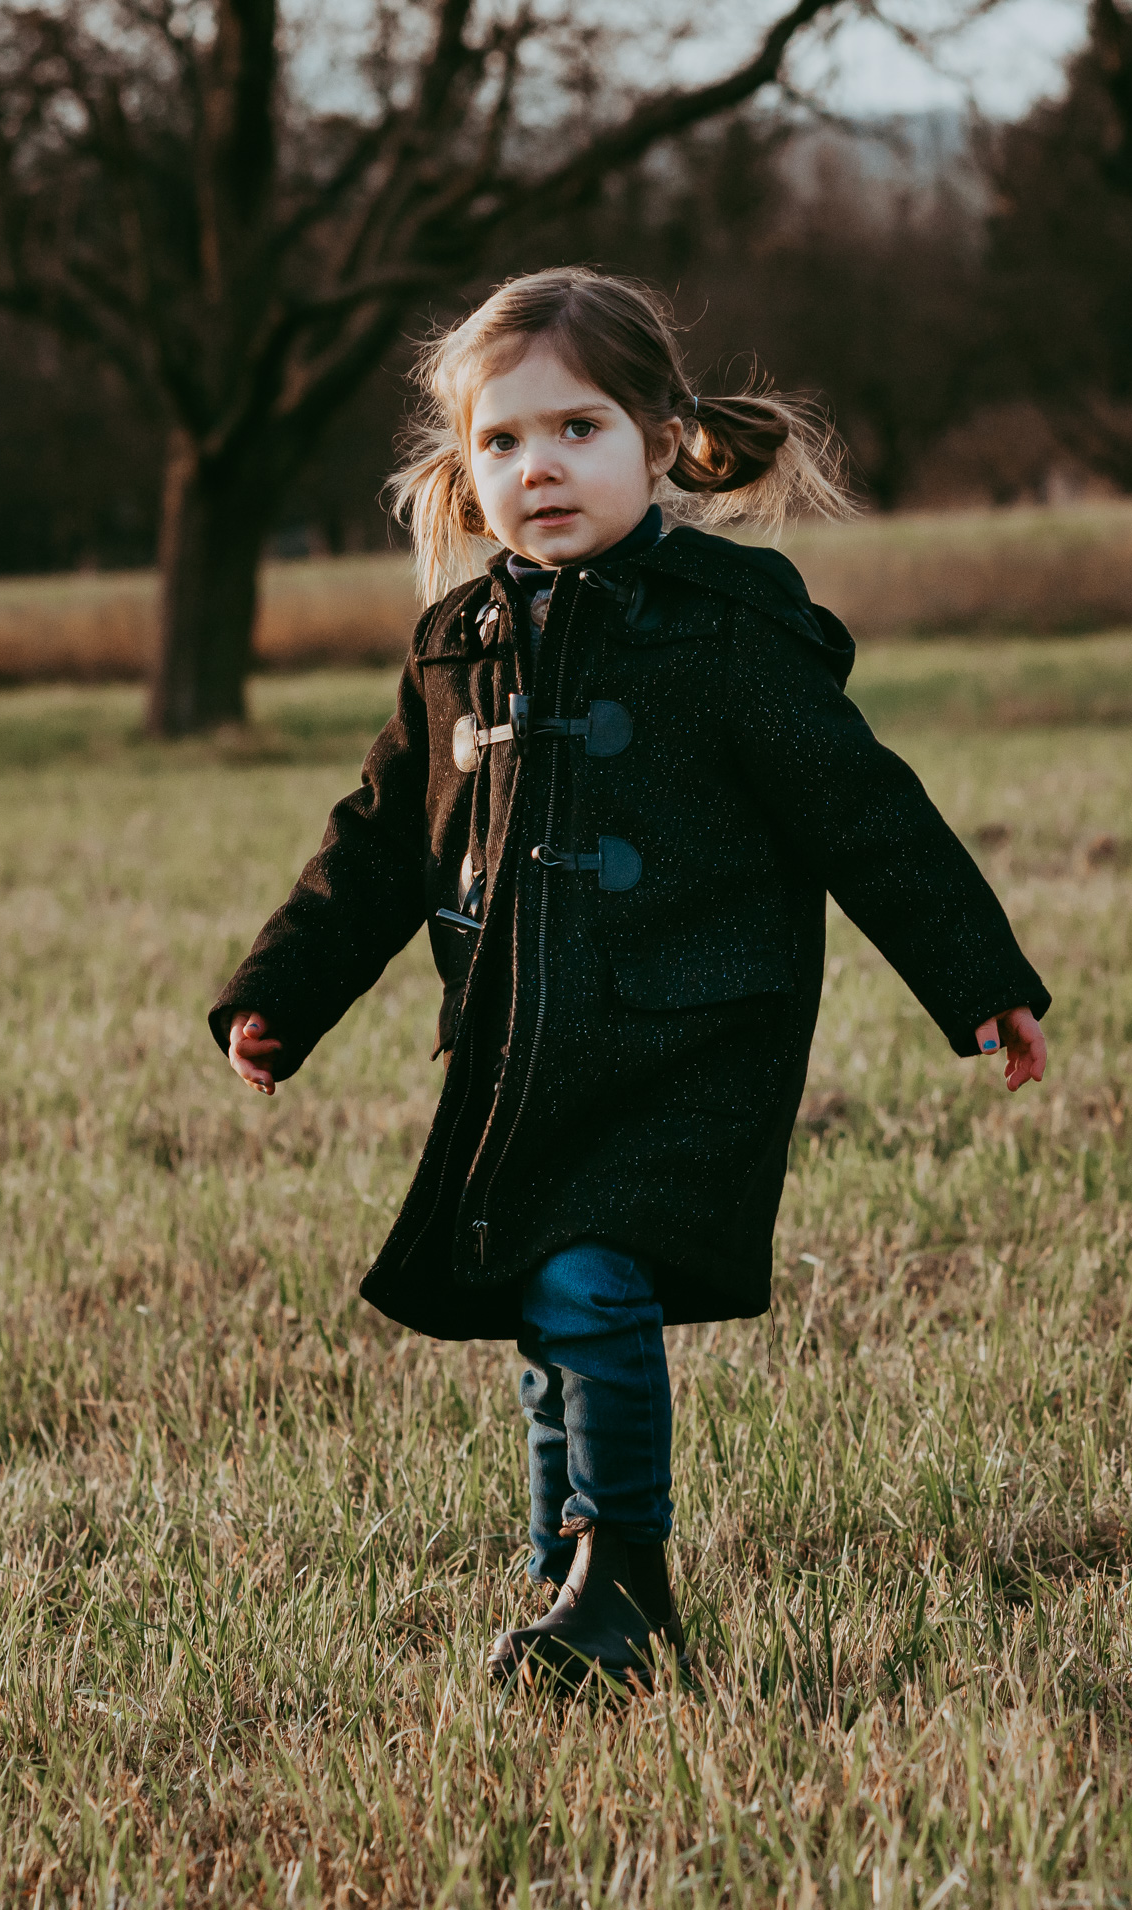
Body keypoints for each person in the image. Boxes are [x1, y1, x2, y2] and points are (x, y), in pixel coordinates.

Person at [209, 267, 1049, 1688]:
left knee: (593, 1281)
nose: (537, 466)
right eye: (501, 440)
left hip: (684, 1040)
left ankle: (630, 1584)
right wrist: (277, 990)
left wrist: (976, 974)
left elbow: (861, 807)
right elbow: (376, 844)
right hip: (521, 1044)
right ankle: (569, 1585)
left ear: (658, 440)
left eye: (577, 428)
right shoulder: (456, 645)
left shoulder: (726, 621)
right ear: (465, 471)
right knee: (552, 1300)